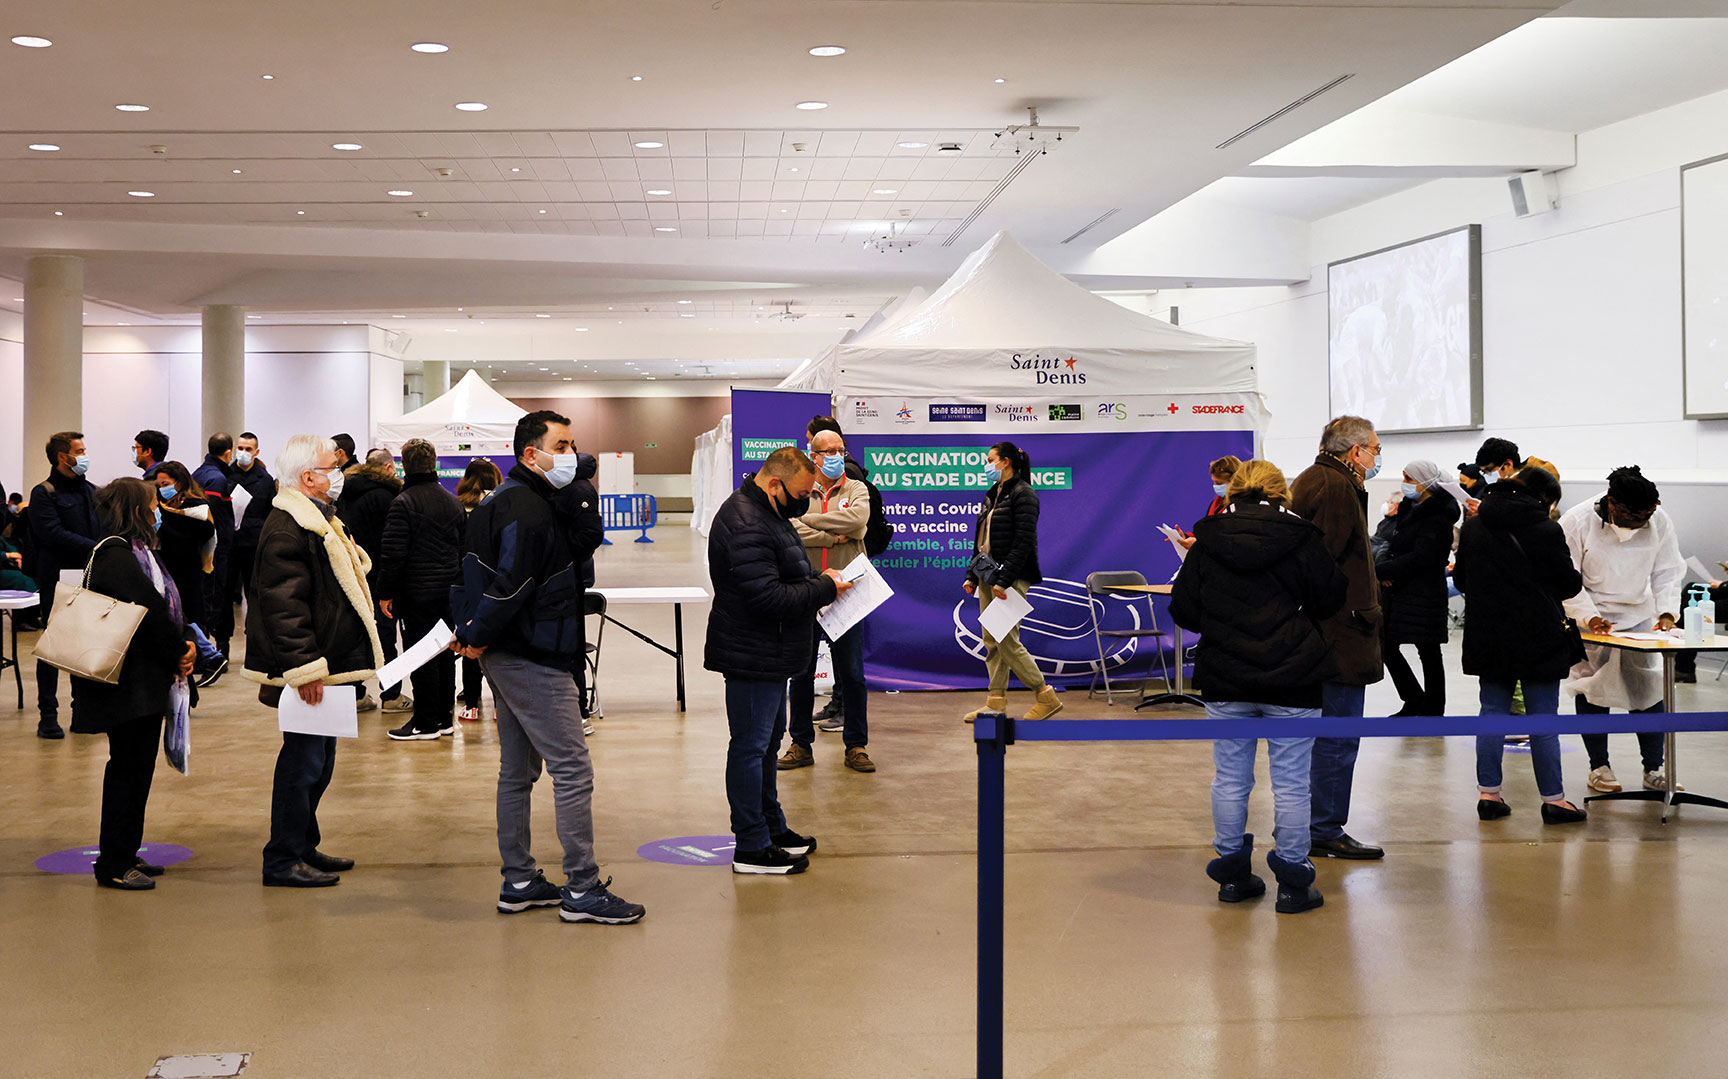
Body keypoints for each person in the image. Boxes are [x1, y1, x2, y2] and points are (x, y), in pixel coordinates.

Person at [455, 411, 643, 923]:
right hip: (535, 655)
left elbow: (471, 576)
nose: (572, 455)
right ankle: (582, 888)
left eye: (572, 444)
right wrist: (476, 634)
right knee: (572, 769)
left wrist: (475, 635)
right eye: (561, 446)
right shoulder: (527, 509)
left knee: (517, 772)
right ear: (529, 454)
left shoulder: (504, 502)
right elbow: (511, 584)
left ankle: (519, 880)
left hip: (511, 652)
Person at [1170, 460, 1345, 914]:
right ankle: (1293, 880)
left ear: (1233, 491)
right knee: (1291, 784)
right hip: (1292, 673)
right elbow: (1330, 599)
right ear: (1280, 491)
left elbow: (1184, 609)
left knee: (1230, 778)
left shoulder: (1207, 539)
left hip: (1226, 673)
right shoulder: (1303, 536)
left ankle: (1232, 874)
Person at [243, 435, 383, 888]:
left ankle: (303, 846)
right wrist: (304, 669)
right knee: (302, 765)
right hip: (314, 670)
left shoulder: (319, 520)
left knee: (319, 762)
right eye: (330, 467)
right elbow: (285, 605)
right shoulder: (289, 526)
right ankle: (282, 858)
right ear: (308, 477)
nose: (336, 473)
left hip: (331, 663)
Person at [705, 446, 846, 875]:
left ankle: (770, 827)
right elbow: (767, 596)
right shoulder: (746, 522)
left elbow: (788, 574)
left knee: (766, 745)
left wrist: (819, 582)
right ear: (774, 484)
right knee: (750, 748)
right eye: (801, 493)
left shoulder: (770, 515)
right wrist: (824, 588)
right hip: (752, 653)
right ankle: (751, 845)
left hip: (771, 651)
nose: (805, 501)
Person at [71, 479, 198, 890]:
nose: (157, 509)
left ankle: (125, 851)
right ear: (135, 510)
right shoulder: (115, 554)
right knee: (128, 769)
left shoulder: (136, 550)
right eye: (151, 503)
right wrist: (179, 649)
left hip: (141, 679)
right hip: (126, 684)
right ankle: (113, 862)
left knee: (135, 768)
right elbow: (149, 609)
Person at [1453, 467, 1588, 823]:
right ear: (1544, 499)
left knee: (1491, 714)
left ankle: (1489, 796)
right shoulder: (1546, 529)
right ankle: (1554, 801)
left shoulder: (1474, 526)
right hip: (1538, 636)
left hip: (1487, 634)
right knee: (1543, 718)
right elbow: (1569, 585)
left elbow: (1462, 579)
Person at [1290, 415, 1385, 860]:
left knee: (1325, 737)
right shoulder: (1336, 486)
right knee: (1337, 739)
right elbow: (1322, 563)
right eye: (1375, 449)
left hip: (1328, 630)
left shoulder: (1318, 478)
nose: (1377, 457)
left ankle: (1317, 824)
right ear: (1355, 452)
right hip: (1338, 635)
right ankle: (1324, 829)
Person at [1561, 466, 1685, 794]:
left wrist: (1667, 612)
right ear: (1612, 504)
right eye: (1632, 516)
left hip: (1641, 619)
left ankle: (1653, 769)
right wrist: (1588, 617)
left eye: (1645, 516)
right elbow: (1565, 577)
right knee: (1593, 689)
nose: (1638, 524)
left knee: (1647, 691)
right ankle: (1598, 766)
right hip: (1592, 619)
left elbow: (1668, 570)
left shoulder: (1659, 521)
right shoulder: (1576, 521)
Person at [779, 426, 874, 774]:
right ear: (813, 455)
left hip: (847, 594)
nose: (837, 456)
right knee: (800, 673)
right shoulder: (800, 490)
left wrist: (810, 523)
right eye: (828, 451)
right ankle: (800, 744)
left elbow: (859, 522)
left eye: (840, 449)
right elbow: (790, 527)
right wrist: (834, 537)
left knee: (852, 673)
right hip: (806, 591)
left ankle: (857, 745)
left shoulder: (856, 488)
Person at [961, 441, 1062, 723]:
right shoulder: (993, 493)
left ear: (1005, 461)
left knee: (1006, 639)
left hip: (1010, 578)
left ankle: (1046, 696)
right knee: (991, 640)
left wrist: (1004, 580)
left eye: (990, 459)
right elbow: (980, 539)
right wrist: (971, 575)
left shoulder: (1024, 493)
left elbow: (1024, 542)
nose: (986, 464)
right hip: (986, 575)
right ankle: (995, 702)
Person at [376, 439, 464, 741]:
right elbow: (463, 550)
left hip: (415, 595)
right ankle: (444, 717)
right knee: (443, 654)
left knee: (420, 655)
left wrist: (385, 592)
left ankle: (425, 723)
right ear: (435, 463)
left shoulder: (403, 503)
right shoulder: (452, 501)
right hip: (449, 593)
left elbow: (393, 554)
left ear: (404, 464)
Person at [1374, 460, 1462, 717]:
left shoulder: (1438, 516)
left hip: (1424, 593)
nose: (1405, 483)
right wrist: (1384, 568)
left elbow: (1424, 557)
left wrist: (1387, 572)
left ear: (1425, 483)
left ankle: (1434, 707)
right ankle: (1414, 698)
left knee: (1428, 651)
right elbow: (1393, 542)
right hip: (1400, 591)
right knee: (1388, 646)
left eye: (1409, 478)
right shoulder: (1408, 508)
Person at [29, 430, 100, 740]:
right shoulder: (44, 493)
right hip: (56, 577)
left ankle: (81, 710)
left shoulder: (93, 492)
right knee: (54, 644)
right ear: (63, 457)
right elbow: (51, 533)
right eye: (79, 450)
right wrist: (95, 546)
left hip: (88, 575)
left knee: (85, 643)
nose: (84, 455)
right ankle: (48, 714)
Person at [338, 448, 408, 715]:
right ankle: (390, 695)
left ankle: (355, 693)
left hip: (351, 575)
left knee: (354, 636)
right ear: (389, 469)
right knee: (385, 639)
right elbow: (392, 546)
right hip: (380, 579)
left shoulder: (344, 492)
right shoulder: (389, 497)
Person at [150, 463, 217, 660]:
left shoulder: (195, 507)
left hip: (188, 570)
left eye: (166, 483)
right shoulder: (162, 506)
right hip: (167, 568)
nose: (162, 489)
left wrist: (162, 526)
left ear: (179, 483)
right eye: (159, 484)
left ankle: (206, 656)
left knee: (192, 614)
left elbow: (194, 539)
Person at [454, 458, 502, 722]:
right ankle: (498, 706)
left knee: (469, 643)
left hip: (466, 584)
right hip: (494, 584)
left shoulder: (459, 505)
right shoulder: (499, 505)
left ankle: (471, 705)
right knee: (495, 647)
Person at [193, 433, 237, 658]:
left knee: (204, 597)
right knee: (215, 599)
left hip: (201, 547)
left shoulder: (197, 474)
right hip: (215, 550)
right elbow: (215, 518)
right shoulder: (218, 479)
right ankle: (214, 652)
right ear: (228, 453)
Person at [229, 431, 276, 628]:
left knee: (253, 590)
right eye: (240, 448)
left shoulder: (265, 480)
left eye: (248, 449)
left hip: (253, 544)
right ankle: (223, 640)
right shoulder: (226, 475)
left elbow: (270, 512)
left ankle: (253, 629)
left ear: (256, 452)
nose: (243, 452)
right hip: (229, 542)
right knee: (225, 593)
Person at [1171, 455, 1243, 552]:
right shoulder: (1217, 502)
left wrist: (1198, 544)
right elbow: (1207, 531)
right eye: (1213, 482)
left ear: (1234, 481)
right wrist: (1186, 537)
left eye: (1219, 483)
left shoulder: (1243, 506)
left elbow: (1229, 541)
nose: (1215, 486)